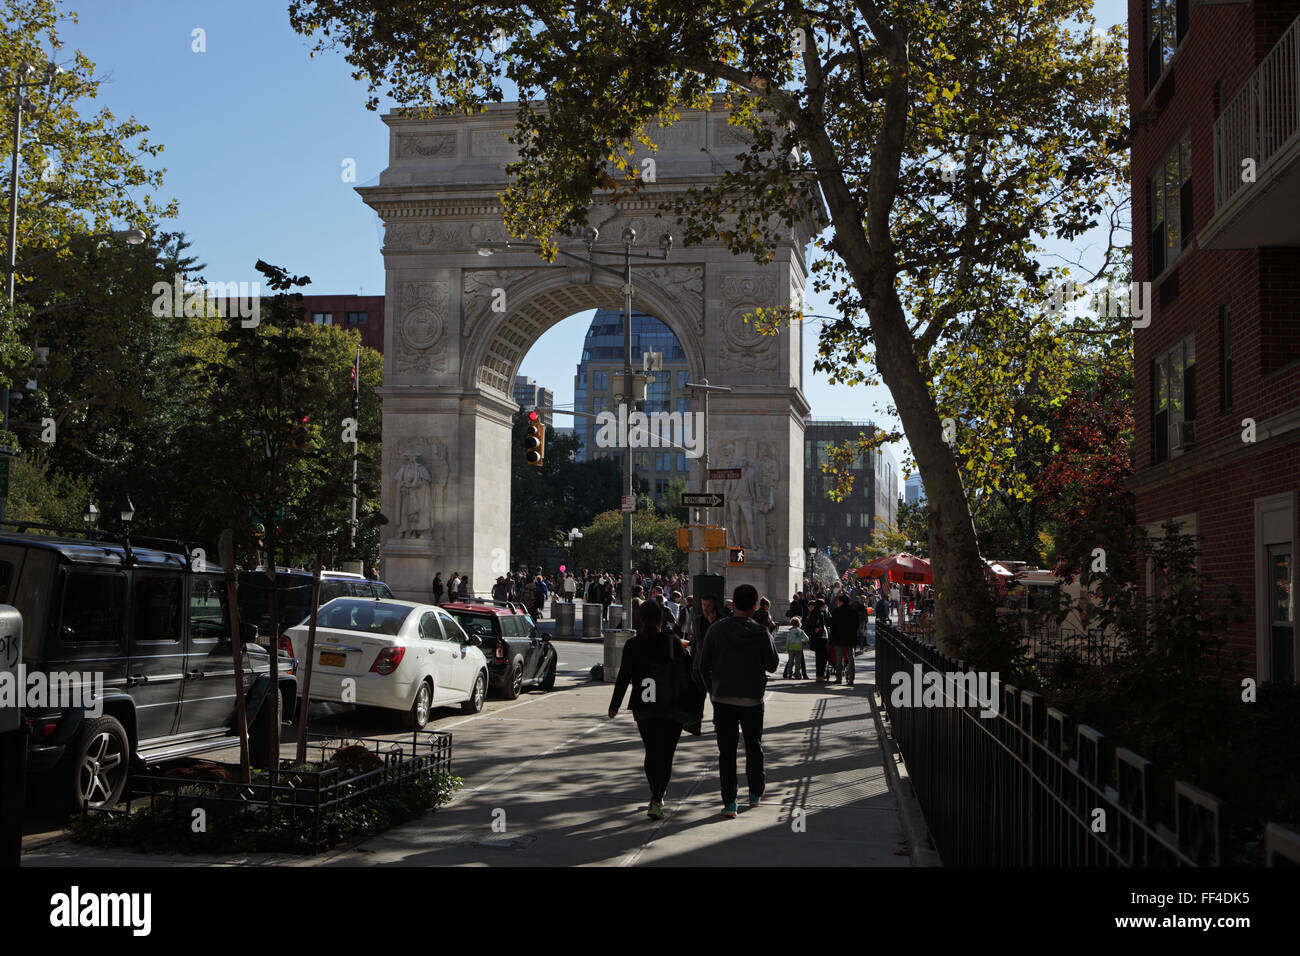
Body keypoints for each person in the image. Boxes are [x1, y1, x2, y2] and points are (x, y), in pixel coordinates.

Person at [693, 584, 779, 819]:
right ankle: (755, 791)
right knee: (754, 746)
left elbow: (703, 665)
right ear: (753, 607)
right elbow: (772, 665)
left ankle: (730, 801)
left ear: (733, 604)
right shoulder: (761, 632)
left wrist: (712, 690)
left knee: (727, 751)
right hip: (751, 699)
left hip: (722, 698)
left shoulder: (716, 630)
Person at [607, 600, 686, 820]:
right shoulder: (673, 642)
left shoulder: (633, 645)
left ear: (640, 619)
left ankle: (655, 794)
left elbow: (623, 677)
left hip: (644, 705)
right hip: (671, 706)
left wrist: (615, 705)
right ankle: (658, 797)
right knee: (666, 755)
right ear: (662, 619)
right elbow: (686, 676)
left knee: (651, 752)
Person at [829, 593, 859, 686]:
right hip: (850, 638)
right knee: (851, 659)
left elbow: (832, 625)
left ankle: (839, 678)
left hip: (839, 638)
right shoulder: (853, 611)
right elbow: (856, 624)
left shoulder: (836, 611)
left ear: (841, 602)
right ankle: (851, 679)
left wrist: (832, 637)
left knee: (839, 659)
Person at [805, 598, 830, 682]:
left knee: (819, 657)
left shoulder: (814, 613)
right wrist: (817, 628)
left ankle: (819, 675)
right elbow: (818, 625)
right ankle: (820, 675)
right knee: (822, 657)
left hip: (818, 637)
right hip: (821, 637)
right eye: (823, 605)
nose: (824, 606)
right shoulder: (819, 613)